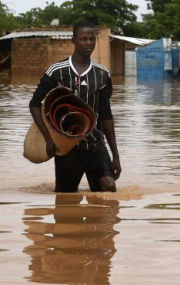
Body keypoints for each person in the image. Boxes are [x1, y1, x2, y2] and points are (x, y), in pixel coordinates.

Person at [29, 21, 121, 193]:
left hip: (95, 145)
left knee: (109, 187)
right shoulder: (56, 71)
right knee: (65, 199)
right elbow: (34, 104)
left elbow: (106, 115)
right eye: (83, 39)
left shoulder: (102, 74)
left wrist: (115, 155)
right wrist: (48, 138)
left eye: (91, 39)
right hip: (67, 149)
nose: (88, 43)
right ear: (73, 41)